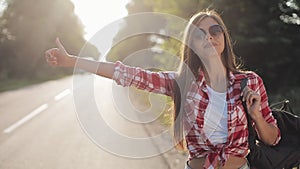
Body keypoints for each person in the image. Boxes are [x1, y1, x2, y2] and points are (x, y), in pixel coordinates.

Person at [45, 9, 281, 169]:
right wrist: (72, 60)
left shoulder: (249, 82)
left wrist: (257, 117)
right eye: (200, 34)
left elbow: (273, 139)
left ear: (224, 37)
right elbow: (128, 74)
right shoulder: (182, 82)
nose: (208, 37)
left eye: (215, 31)